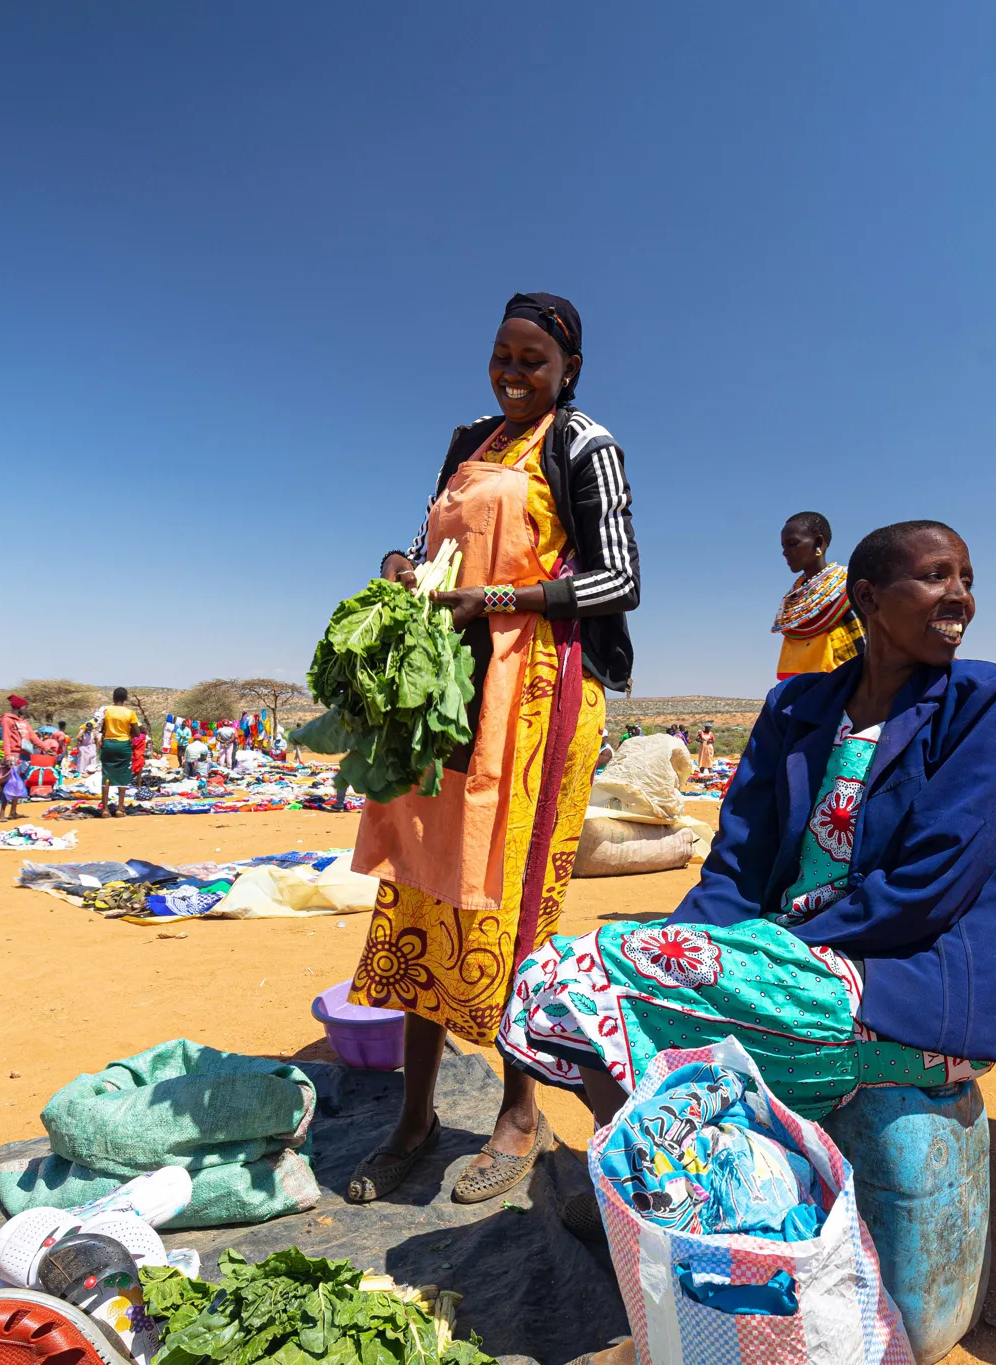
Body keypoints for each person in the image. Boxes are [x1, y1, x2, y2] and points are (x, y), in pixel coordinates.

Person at [501, 522, 996, 1311]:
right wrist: (689, 943)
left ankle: (657, 1217)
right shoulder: (797, 704)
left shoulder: (985, 701)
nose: (961, 597)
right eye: (936, 576)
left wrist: (763, 945)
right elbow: (738, 861)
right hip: (776, 960)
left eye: (967, 577)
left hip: (891, 978)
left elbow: (933, 885)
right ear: (869, 598)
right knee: (559, 985)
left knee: (587, 978)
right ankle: (664, 1205)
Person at [345, 291, 639, 1208]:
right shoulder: (468, 439)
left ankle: (519, 1110)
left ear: (569, 372)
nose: (512, 374)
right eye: (501, 356)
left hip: (538, 697)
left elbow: (620, 576)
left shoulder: (585, 445)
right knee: (426, 882)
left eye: (532, 362)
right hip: (449, 693)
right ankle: (417, 1114)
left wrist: (501, 602)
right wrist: (402, 562)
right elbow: (432, 533)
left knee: (510, 896)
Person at [772, 511, 866, 681]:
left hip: (844, 687)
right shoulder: (794, 597)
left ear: (819, 543)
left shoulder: (848, 587)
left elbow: (863, 645)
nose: (785, 552)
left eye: (792, 543)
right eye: (784, 546)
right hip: (798, 692)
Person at [98, 688, 143, 817]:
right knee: (123, 775)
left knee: (106, 774)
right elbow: (138, 733)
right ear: (125, 698)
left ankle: (105, 809)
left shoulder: (107, 711)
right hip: (123, 745)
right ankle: (119, 809)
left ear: (113, 697)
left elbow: (102, 728)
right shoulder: (130, 713)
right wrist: (128, 733)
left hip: (108, 744)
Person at [0, 751, 30, 821]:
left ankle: (13, 812)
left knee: (17, 789)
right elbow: (7, 747)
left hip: (18, 761)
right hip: (11, 761)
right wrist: (8, 759)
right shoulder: (9, 742)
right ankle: (1, 814)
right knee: (7, 789)